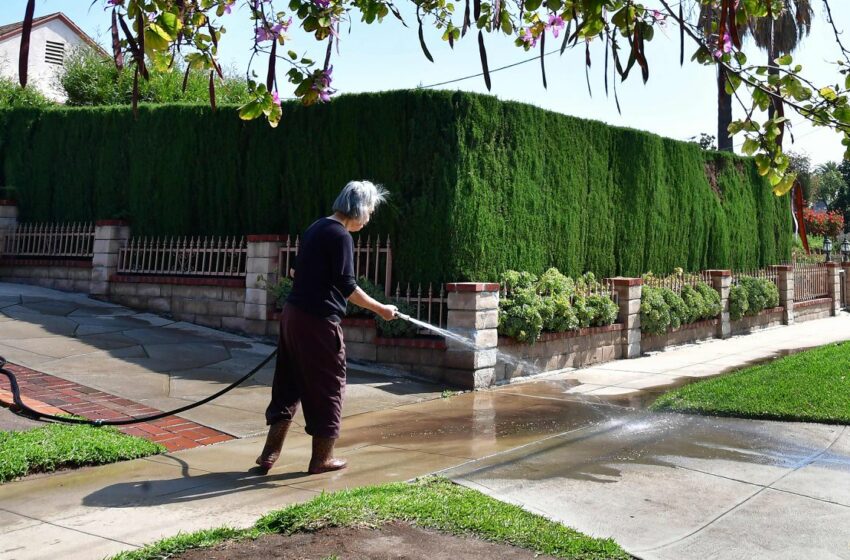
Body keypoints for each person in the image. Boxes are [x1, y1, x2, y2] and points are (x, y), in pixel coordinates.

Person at [257, 180, 398, 474]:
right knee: (328, 385)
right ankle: (322, 459)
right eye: (369, 211)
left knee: (288, 382)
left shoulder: (317, 227)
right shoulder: (340, 236)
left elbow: (296, 269)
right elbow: (347, 286)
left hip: (293, 316)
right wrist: (381, 309)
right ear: (358, 208)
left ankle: (270, 453)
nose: (369, 218)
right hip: (318, 322)